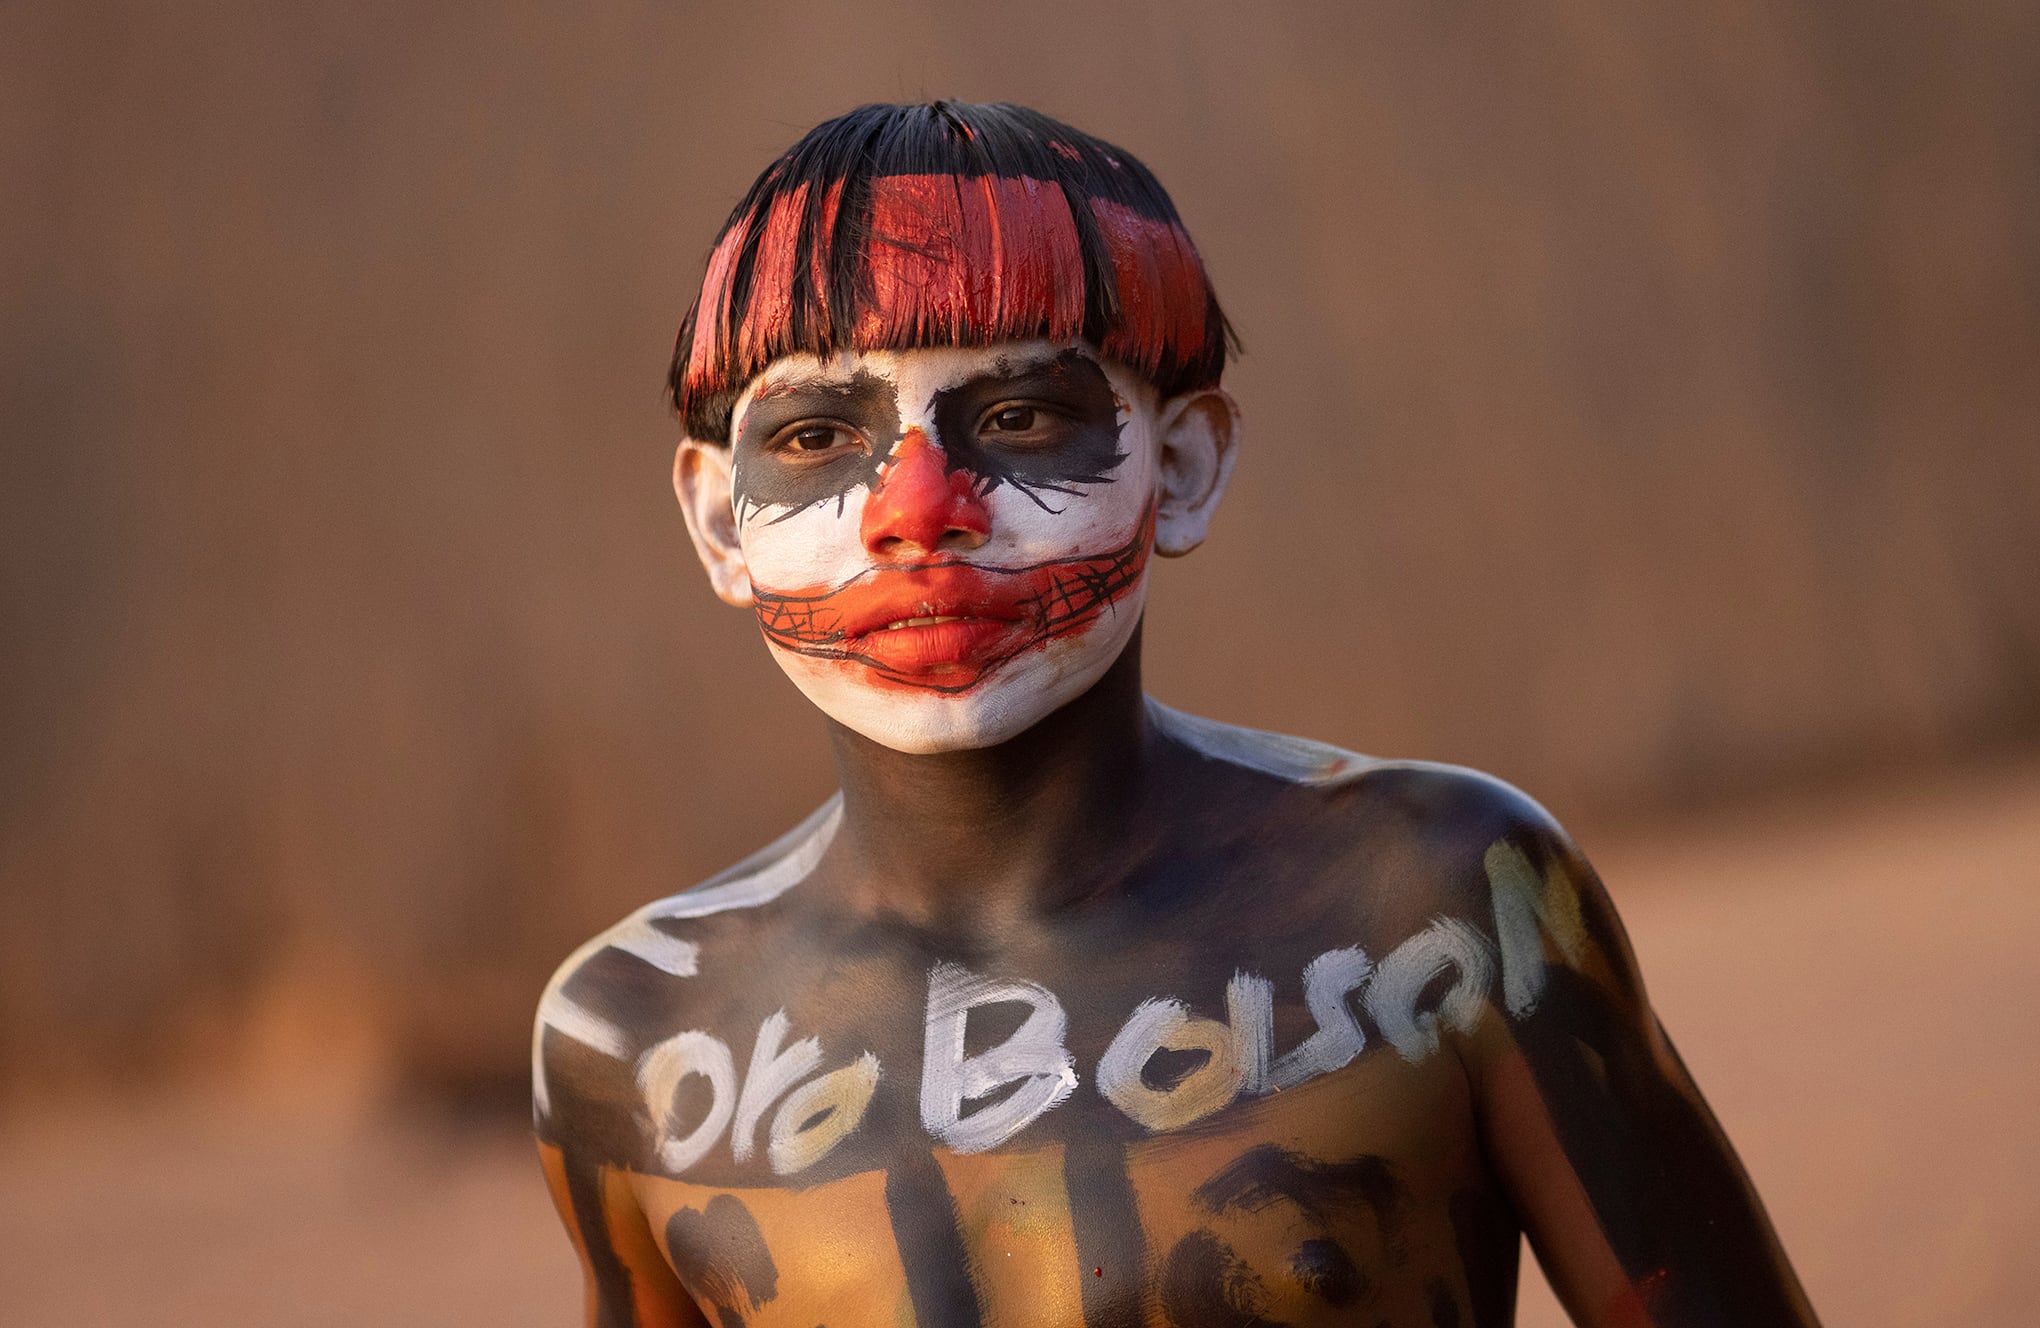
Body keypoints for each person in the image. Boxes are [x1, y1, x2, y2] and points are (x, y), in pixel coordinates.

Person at [532, 100, 1819, 1328]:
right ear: (717, 520)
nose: (916, 507)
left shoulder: (1440, 904)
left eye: (1020, 416)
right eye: (816, 433)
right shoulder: (631, 1037)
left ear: (1185, 465)